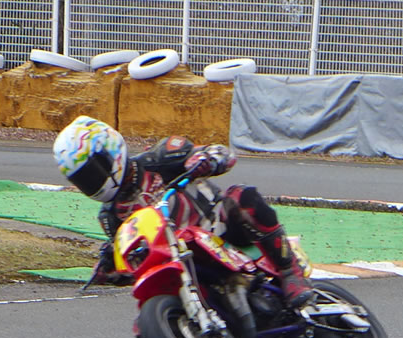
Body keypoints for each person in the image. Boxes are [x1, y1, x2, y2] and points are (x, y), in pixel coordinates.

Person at [52, 115, 315, 308]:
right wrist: (112, 267)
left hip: (220, 228)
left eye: (92, 172)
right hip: (187, 261)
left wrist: (207, 159)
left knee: (241, 196)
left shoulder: (161, 157)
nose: (92, 183)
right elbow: (136, 264)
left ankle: (289, 271)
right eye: (82, 180)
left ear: (111, 151)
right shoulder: (111, 217)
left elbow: (223, 153)